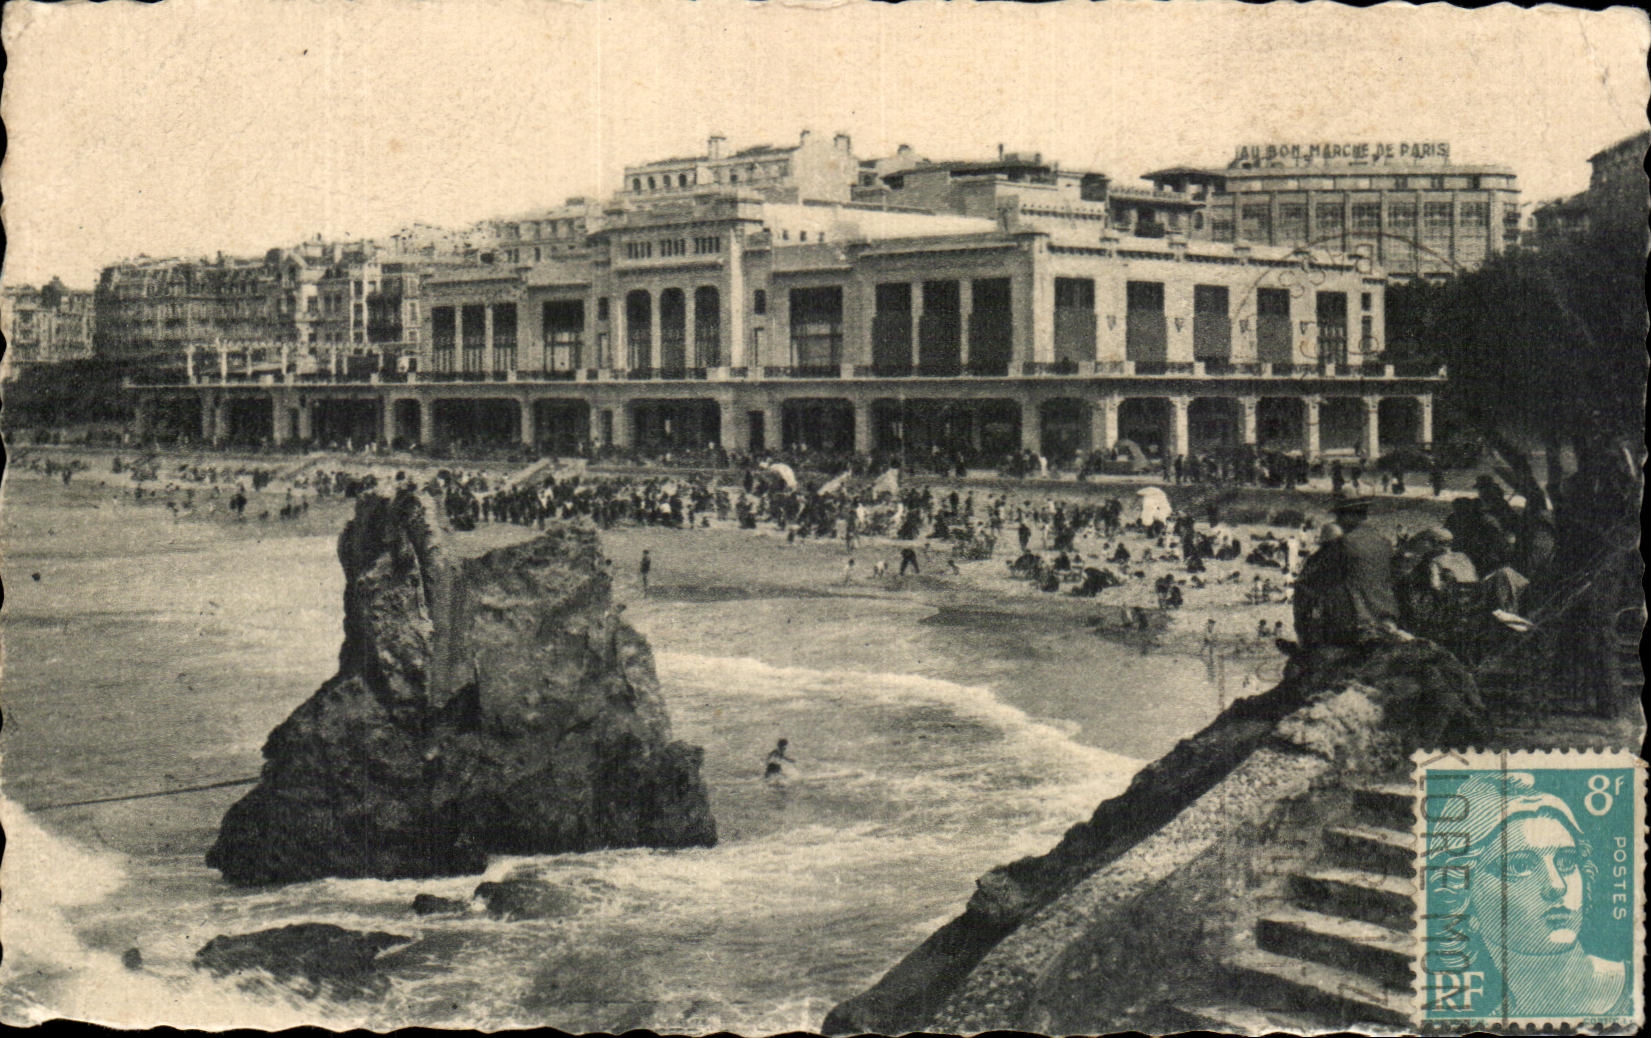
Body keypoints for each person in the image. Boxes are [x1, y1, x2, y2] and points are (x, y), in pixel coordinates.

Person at [1428, 772, 1632, 1019]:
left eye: (1567, 861)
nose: (1557, 885)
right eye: (1519, 866)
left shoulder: (1636, 991)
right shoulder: (1489, 1026)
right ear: (1462, 899)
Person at [1292, 495, 1405, 650]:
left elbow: (1309, 577)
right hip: (1388, 616)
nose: (1337, 520)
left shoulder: (1342, 543)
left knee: (1303, 587)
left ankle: (1305, 645)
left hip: (1354, 618)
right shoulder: (1384, 542)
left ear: (1349, 515)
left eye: (1340, 515)